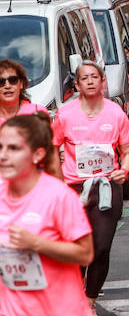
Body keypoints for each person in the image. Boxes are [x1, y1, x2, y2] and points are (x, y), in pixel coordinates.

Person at [52, 61, 129, 314]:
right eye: (84, 78)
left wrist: (126, 169)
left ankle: (89, 298)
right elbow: (52, 149)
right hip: (74, 188)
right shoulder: (65, 114)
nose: (90, 81)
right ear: (76, 85)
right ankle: (75, 294)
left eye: (94, 77)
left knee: (101, 246)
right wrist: (59, 185)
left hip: (107, 186)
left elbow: (128, 150)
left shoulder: (115, 113)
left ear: (103, 82)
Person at [0, 113, 95, 316]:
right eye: (0, 147)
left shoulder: (59, 196)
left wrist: (36, 243)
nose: (3, 156)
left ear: (37, 154)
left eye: (14, 148)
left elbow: (85, 254)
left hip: (59, 309)